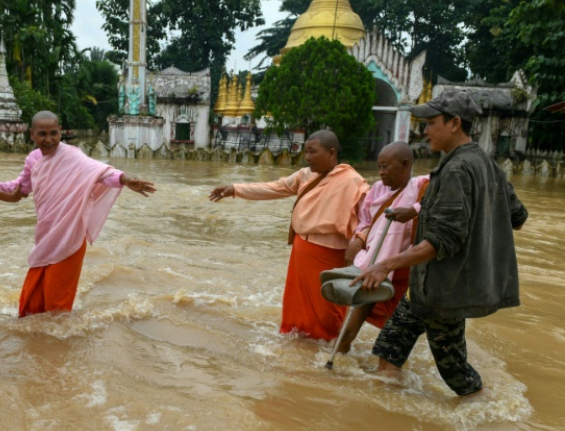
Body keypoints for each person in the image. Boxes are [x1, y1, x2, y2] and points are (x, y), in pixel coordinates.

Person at [353, 90, 528, 396]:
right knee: (388, 351)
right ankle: (385, 422)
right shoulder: (487, 164)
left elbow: (442, 240)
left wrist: (385, 265)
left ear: (454, 123)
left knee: (458, 376)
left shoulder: (457, 170)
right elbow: (517, 216)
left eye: (431, 123)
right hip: (427, 286)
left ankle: (487, 424)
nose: (425, 131)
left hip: (444, 292)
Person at [0, 111, 157, 317]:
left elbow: (101, 172)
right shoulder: (33, 160)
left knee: (57, 310)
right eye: (42, 134)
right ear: (32, 134)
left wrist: (126, 179)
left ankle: (61, 346)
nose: (49, 139)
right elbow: (20, 189)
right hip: (46, 236)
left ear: (60, 131)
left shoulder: (73, 155)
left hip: (70, 234)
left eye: (54, 133)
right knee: (31, 307)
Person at [209, 130, 369, 340]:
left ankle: (331, 346)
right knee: (298, 305)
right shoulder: (305, 175)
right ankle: (300, 346)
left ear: (331, 152)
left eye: (312, 152)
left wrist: (360, 240)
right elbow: (274, 188)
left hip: (333, 254)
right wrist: (236, 189)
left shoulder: (353, 182)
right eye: (306, 152)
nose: (307, 157)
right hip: (302, 248)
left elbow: (370, 217)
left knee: (328, 309)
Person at [335, 142, 429, 354]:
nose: (381, 172)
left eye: (386, 166)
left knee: (395, 336)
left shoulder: (423, 186)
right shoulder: (377, 189)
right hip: (374, 265)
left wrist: (413, 210)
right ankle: (335, 368)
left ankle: (386, 379)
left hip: (404, 271)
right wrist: (358, 241)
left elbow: (440, 204)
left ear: (405, 165)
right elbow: (365, 222)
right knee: (347, 331)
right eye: (379, 166)